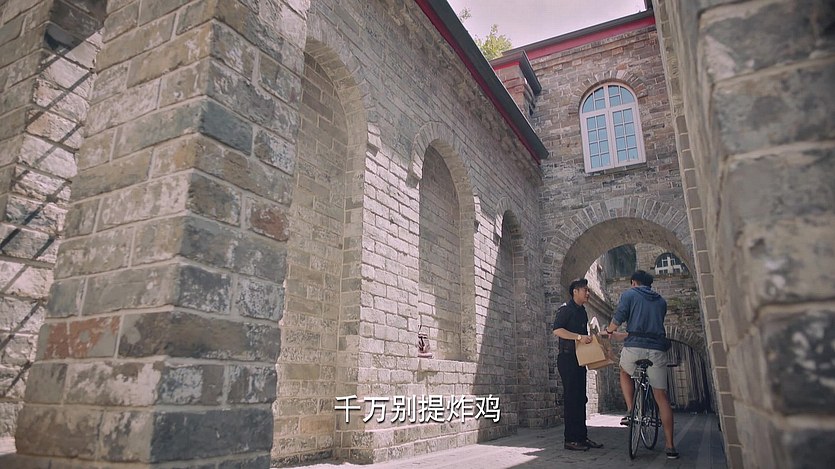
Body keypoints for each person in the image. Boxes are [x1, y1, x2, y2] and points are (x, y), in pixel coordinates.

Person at [602, 270, 679, 459]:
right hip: (657, 349)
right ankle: (670, 446)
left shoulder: (629, 294)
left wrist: (609, 331)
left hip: (634, 347)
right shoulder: (661, 302)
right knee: (661, 396)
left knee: (624, 371)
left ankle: (630, 410)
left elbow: (619, 317)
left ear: (634, 282)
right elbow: (650, 327)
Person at [552, 278, 604, 451]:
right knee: (572, 399)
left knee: (581, 398)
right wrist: (579, 337)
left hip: (580, 359)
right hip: (567, 359)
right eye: (585, 290)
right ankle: (571, 439)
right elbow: (557, 330)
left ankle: (582, 437)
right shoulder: (565, 309)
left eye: (588, 290)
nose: (588, 293)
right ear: (575, 291)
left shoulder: (582, 311)